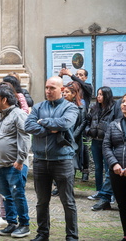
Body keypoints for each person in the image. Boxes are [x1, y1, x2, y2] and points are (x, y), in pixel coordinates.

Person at [25, 76, 79, 241]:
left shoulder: (70, 107)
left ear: (62, 90)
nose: (48, 91)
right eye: (47, 87)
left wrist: (43, 122)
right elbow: (28, 126)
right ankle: (42, 234)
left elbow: (64, 124)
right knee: (42, 202)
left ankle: (72, 236)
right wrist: (49, 128)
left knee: (67, 202)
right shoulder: (38, 107)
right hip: (41, 160)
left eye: (52, 88)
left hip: (62, 160)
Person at [0, 85, 31, 238]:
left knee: (17, 194)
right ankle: (11, 223)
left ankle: (24, 224)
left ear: (4, 100)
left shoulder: (18, 114)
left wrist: (20, 160)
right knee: (6, 195)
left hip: (14, 165)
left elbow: (25, 138)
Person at [104, 92, 126, 241]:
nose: (125, 104)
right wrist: (114, 163)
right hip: (117, 172)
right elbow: (106, 146)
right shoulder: (114, 124)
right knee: (122, 204)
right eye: (123, 102)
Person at [59, 68, 93, 181]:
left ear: (85, 77)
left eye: (81, 75)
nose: (78, 76)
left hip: (82, 121)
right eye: (77, 74)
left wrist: (71, 74)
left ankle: (85, 171)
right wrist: (60, 76)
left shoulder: (87, 87)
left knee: (83, 148)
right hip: (71, 124)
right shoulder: (71, 86)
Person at [85, 86, 115, 199]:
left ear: (107, 95)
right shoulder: (94, 108)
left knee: (109, 168)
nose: (98, 96)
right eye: (98, 94)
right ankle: (99, 191)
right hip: (95, 141)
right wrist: (88, 131)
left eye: (101, 94)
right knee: (98, 168)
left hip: (108, 142)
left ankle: (110, 193)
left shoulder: (113, 108)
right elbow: (87, 121)